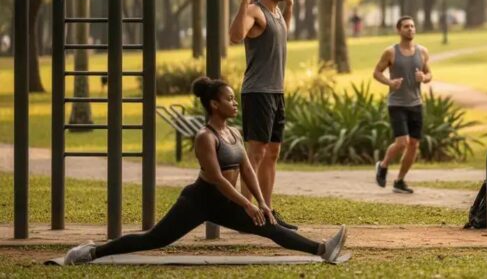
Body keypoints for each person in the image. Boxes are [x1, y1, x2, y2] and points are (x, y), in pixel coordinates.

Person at [63, 77, 347, 265]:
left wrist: (262, 203)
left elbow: (247, 169)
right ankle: (91, 252)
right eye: (230, 99)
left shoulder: (234, 133)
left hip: (226, 203)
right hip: (198, 201)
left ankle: (323, 250)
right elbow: (215, 178)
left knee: (271, 227)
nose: (235, 103)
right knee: (154, 239)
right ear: (214, 104)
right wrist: (248, 205)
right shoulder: (205, 136)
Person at [229, 0, 297, 229]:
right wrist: (244, 4)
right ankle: (245, 215)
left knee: (272, 153)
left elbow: (282, 33)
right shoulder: (255, 11)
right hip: (258, 92)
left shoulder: (277, 12)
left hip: (276, 92)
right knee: (255, 155)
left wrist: (289, 6)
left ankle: (266, 212)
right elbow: (235, 37)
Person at [373, 16, 432, 194]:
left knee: (414, 144)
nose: (410, 29)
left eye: (413, 26)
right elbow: (376, 72)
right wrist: (389, 83)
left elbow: (429, 74)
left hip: (416, 103)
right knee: (402, 142)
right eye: (406, 26)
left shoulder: (422, 52)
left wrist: (424, 77)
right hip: (397, 103)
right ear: (399, 30)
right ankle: (383, 166)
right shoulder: (391, 52)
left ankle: (399, 180)